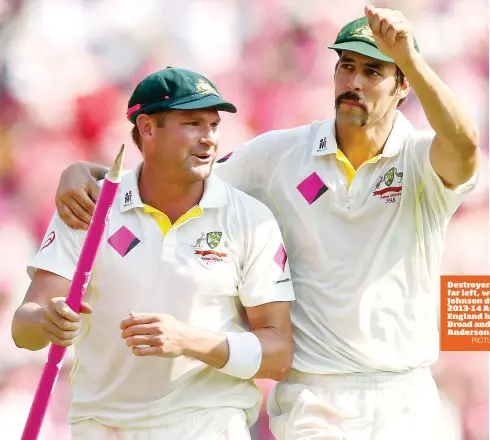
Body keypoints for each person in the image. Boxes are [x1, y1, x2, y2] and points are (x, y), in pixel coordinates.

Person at [49, 6, 481, 440]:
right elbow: (176, 175)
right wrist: (90, 173)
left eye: (373, 72)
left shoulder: (421, 159)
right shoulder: (280, 154)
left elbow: (464, 146)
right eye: (346, 67)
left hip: (407, 393)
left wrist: (411, 57)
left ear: (403, 85)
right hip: (315, 395)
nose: (354, 82)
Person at [11, 67, 296, 440]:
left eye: (213, 125)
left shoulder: (249, 217)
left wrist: (187, 340)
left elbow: (278, 356)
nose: (208, 138)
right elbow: (23, 329)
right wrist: (46, 320)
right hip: (104, 426)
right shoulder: (90, 205)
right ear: (147, 128)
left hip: (208, 421)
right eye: (192, 124)